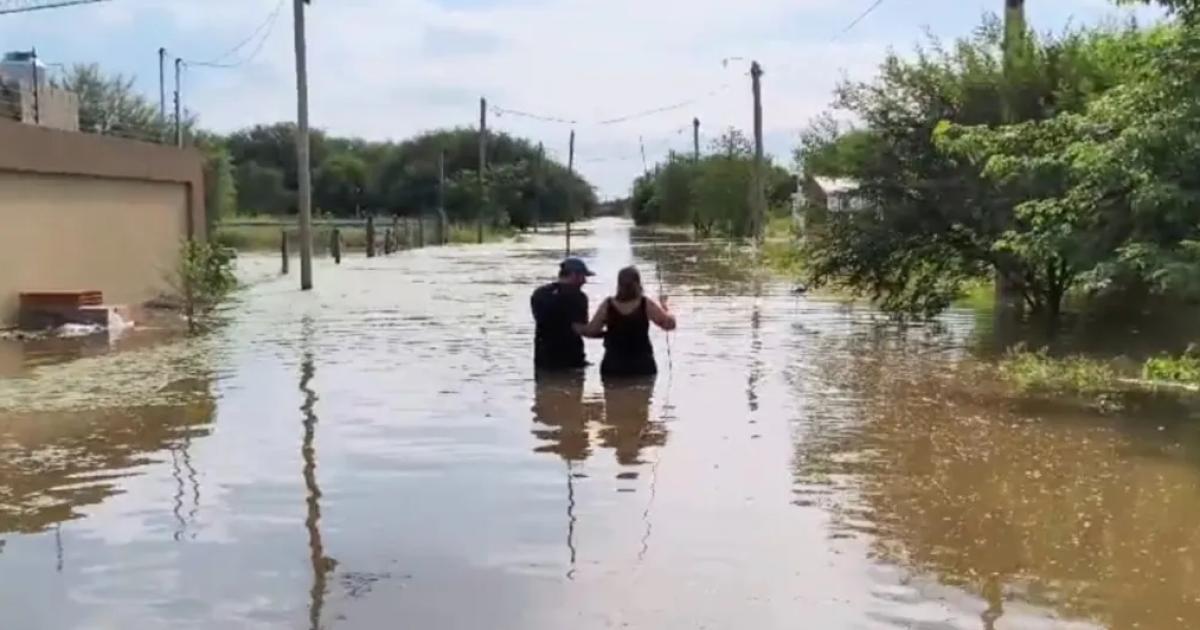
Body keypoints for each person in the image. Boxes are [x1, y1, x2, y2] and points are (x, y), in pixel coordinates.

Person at [579, 266, 676, 377]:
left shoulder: (608, 305)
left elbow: (591, 331)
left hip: (613, 365)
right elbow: (670, 325)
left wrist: (577, 327)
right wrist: (665, 307)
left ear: (618, 284)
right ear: (638, 283)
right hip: (642, 365)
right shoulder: (645, 303)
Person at [531, 257, 595, 371]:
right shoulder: (578, 297)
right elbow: (579, 329)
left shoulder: (539, 293)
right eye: (583, 276)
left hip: (543, 358)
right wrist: (608, 333)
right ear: (574, 275)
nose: (585, 281)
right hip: (571, 359)